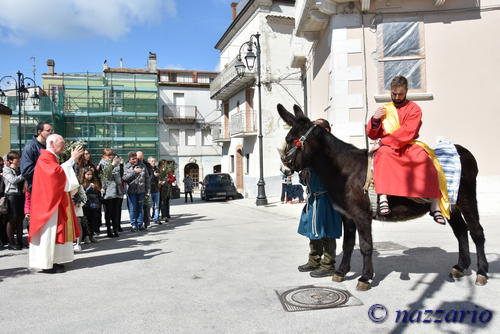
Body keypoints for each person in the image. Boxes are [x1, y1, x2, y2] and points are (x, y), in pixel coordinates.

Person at [366, 76, 446, 224]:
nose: (397, 97)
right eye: (394, 94)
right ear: (390, 91)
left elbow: (408, 131)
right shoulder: (385, 109)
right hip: (387, 148)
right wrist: (375, 119)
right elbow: (372, 134)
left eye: (400, 94)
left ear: (406, 91)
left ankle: (435, 206)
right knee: (382, 155)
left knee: (427, 160)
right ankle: (383, 197)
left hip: (408, 145)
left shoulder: (414, 109)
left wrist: (383, 141)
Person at [28, 134, 83, 273]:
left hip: (52, 202)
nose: (64, 146)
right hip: (47, 204)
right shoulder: (45, 157)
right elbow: (55, 174)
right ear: (51, 143)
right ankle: (46, 264)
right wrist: (71, 160)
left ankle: (53, 260)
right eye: (61, 143)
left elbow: (58, 173)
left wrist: (71, 161)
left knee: (53, 232)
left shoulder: (51, 157)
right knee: (48, 232)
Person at [297, 119, 342, 278]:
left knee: (327, 230)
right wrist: (304, 172)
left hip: (328, 197)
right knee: (311, 230)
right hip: (313, 197)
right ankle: (314, 260)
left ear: (327, 131)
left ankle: (328, 264)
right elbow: (304, 174)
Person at [20, 122, 53, 216]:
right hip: (37, 190)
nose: (51, 133)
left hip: (49, 188)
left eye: (52, 131)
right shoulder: (30, 147)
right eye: (48, 131)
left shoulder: (49, 146)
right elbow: (26, 171)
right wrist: (46, 167)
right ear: (39, 132)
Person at [3, 151, 26, 250]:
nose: (19, 160)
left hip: (20, 196)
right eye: (17, 158)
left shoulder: (20, 169)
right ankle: (11, 243)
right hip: (11, 196)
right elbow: (13, 180)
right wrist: (24, 175)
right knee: (12, 219)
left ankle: (20, 242)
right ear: (11, 160)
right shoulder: (6, 170)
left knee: (20, 219)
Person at [123, 151, 150, 232]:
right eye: (132, 159)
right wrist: (134, 172)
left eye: (135, 158)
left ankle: (140, 224)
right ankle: (133, 225)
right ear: (129, 159)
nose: (134, 160)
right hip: (131, 191)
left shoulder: (143, 165)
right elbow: (124, 178)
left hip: (141, 191)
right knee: (133, 208)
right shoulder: (126, 166)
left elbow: (147, 178)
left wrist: (148, 190)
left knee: (140, 208)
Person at [98, 149, 122, 237]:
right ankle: (109, 230)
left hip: (116, 189)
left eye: (111, 155)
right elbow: (105, 176)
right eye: (109, 155)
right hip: (107, 190)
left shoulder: (114, 162)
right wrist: (112, 165)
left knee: (115, 212)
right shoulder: (102, 163)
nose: (111, 156)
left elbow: (119, 175)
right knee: (108, 212)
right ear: (104, 156)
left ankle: (115, 229)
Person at [81, 167, 101, 243]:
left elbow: (97, 193)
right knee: (86, 221)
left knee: (93, 220)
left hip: (94, 205)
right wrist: (89, 187)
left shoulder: (94, 182)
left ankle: (91, 236)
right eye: (88, 174)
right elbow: (83, 193)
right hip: (86, 205)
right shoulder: (82, 183)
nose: (90, 176)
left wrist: (99, 190)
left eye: (91, 174)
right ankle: (86, 236)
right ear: (84, 175)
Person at [148, 157, 161, 225]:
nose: (153, 162)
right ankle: (148, 218)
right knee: (149, 206)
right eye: (152, 161)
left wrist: (158, 177)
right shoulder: (147, 169)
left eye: (154, 161)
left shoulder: (157, 168)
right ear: (149, 162)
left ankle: (156, 219)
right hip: (149, 190)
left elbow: (159, 177)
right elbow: (148, 179)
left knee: (156, 205)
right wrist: (153, 175)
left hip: (156, 189)